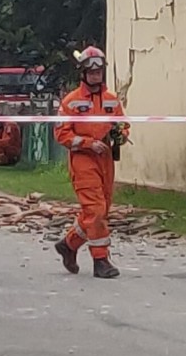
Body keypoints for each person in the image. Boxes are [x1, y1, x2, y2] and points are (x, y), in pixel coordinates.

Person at [53, 47, 129, 279]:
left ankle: (69, 244)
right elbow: (61, 134)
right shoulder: (71, 102)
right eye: (91, 71)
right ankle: (101, 260)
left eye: (99, 71)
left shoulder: (111, 100)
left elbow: (123, 124)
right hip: (83, 160)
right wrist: (86, 143)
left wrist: (121, 135)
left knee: (101, 210)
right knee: (95, 210)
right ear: (83, 73)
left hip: (105, 158)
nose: (95, 75)